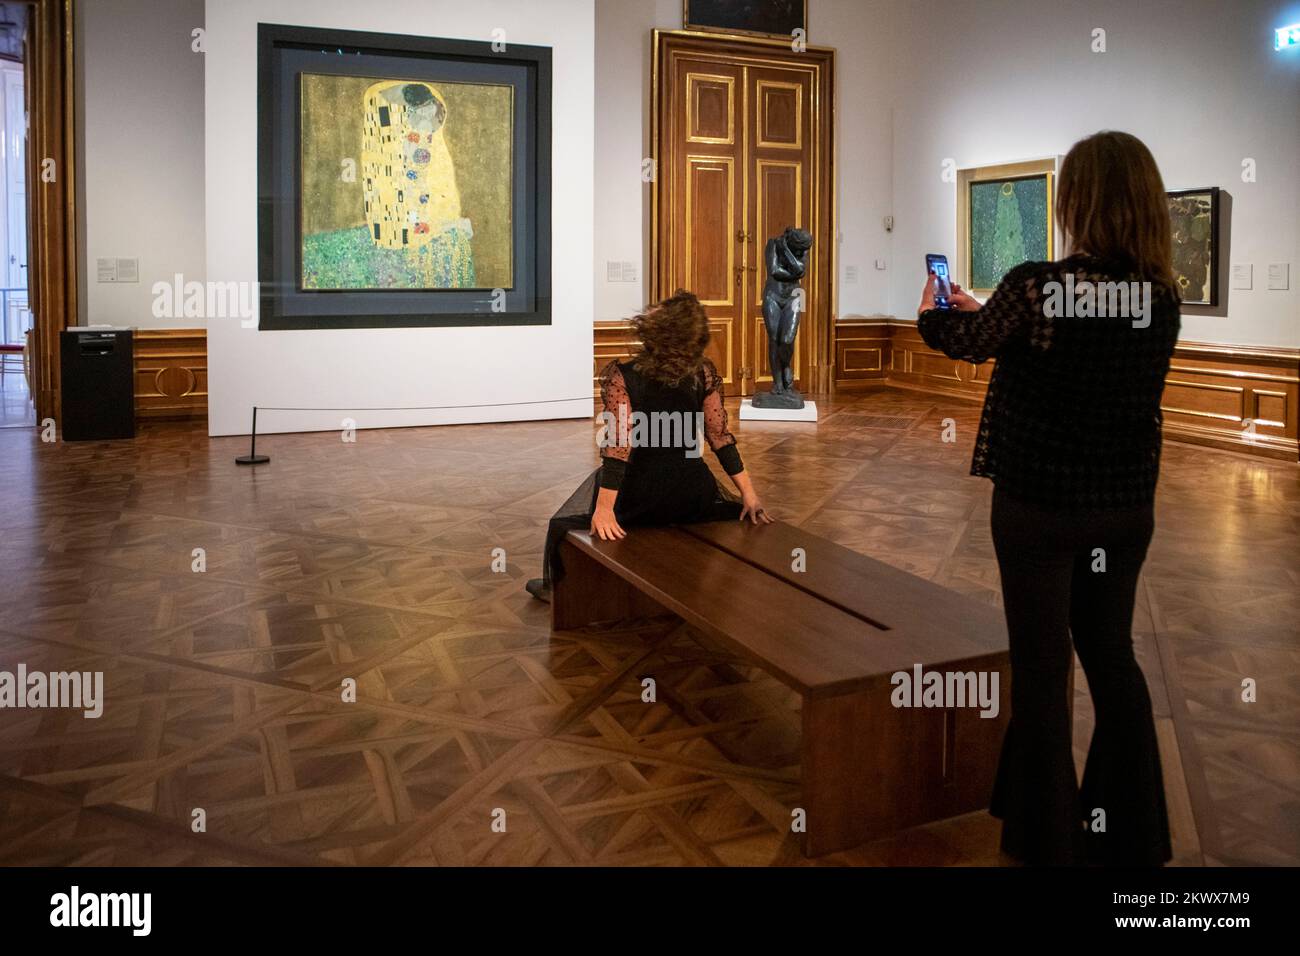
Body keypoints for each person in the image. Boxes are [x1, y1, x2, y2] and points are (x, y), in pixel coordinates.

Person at [916, 131, 1181, 866]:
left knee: (1042, 668)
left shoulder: (1037, 286)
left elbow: (968, 342)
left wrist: (936, 309)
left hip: (1040, 507)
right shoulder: (1160, 300)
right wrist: (992, 311)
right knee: (1111, 656)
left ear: (1078, 201)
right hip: (1125, 510)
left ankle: (1045, 838)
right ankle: (1132, 830)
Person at [526, 289, 773, 602]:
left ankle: (557, 591)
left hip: (641, 495)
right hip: (693, 494)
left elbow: (620, 447)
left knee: (562, 523)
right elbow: (719, 436)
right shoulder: (703, 373)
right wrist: (748, 494)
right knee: (725, 509)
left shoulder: (624, 376)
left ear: (659, 330)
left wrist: (604, 510)